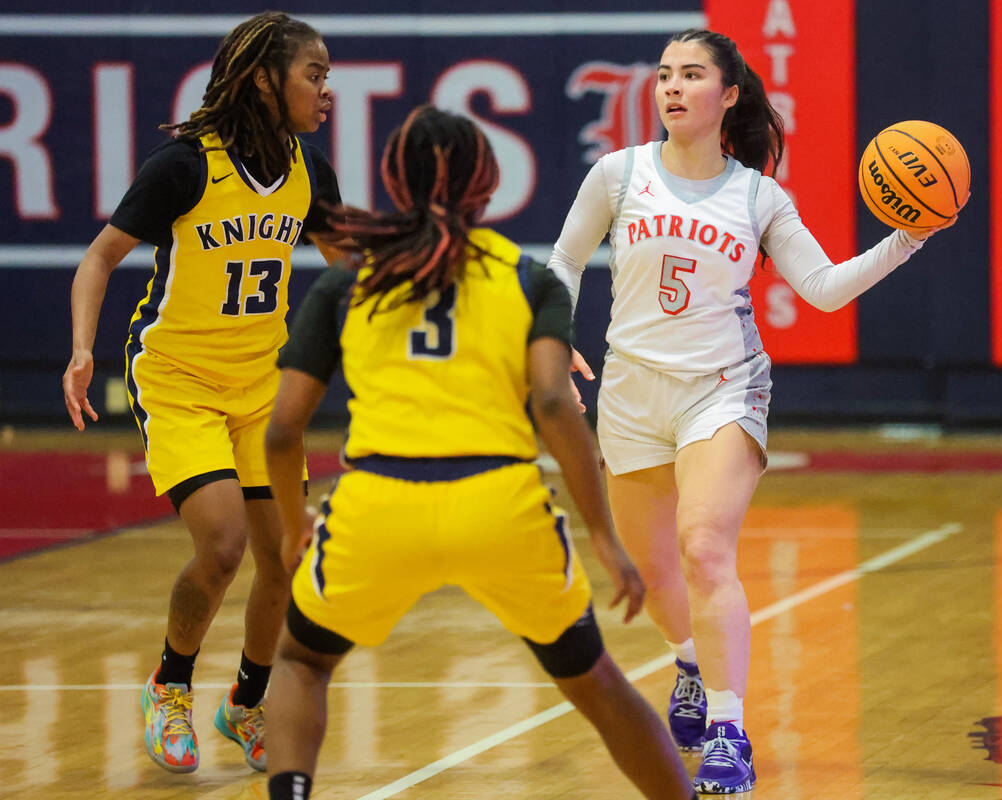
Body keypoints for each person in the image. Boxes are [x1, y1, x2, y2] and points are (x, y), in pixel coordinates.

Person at [547, 28, 964, 794]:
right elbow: (565, 260)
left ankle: (728, 735)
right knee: (653, 567)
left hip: (723, 387)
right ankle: (690, 664)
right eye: (666, 75)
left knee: (704, 547)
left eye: (692, 75)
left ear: (728, 94)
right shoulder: (618, 173)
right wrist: (551, 339)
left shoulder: (758, 196)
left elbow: (825, 290)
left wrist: (908, 239)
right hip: (632, 391)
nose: (672, 87)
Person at [262, 104, 700, 800]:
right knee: (598, 686)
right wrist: (603, 538)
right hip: (500, 506)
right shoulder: (530, 281)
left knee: (301, 661)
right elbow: (555, 405)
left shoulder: (348, 282)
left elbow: (283, 431)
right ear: (488, 186)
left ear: (393, 183)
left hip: (379, 507)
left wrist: (293, 529)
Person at [61, 12, 342, 774]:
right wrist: (84, 350)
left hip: (261, 384)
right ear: (262, 79)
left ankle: (245, 703)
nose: (327, 89)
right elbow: (98, 258)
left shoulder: (309, 169)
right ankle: (170, 685)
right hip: (179, 379)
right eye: (314, 74)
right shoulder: (185, 166)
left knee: (283, 557)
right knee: (222, 545)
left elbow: (354, 263)